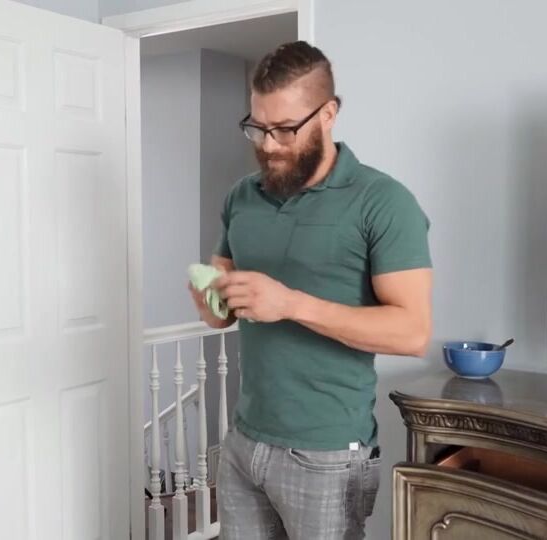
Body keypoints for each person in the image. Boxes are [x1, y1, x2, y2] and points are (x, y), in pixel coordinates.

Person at [188, 40, 433, 540]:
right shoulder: (241, 196)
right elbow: (223, 311)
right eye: (257, 127)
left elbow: (412, 332)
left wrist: (290, 304)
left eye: (285, 129)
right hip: (243, 441)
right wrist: (213, 301)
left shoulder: (383, 201)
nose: (268, 145)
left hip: (326, 454)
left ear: (328, 114)